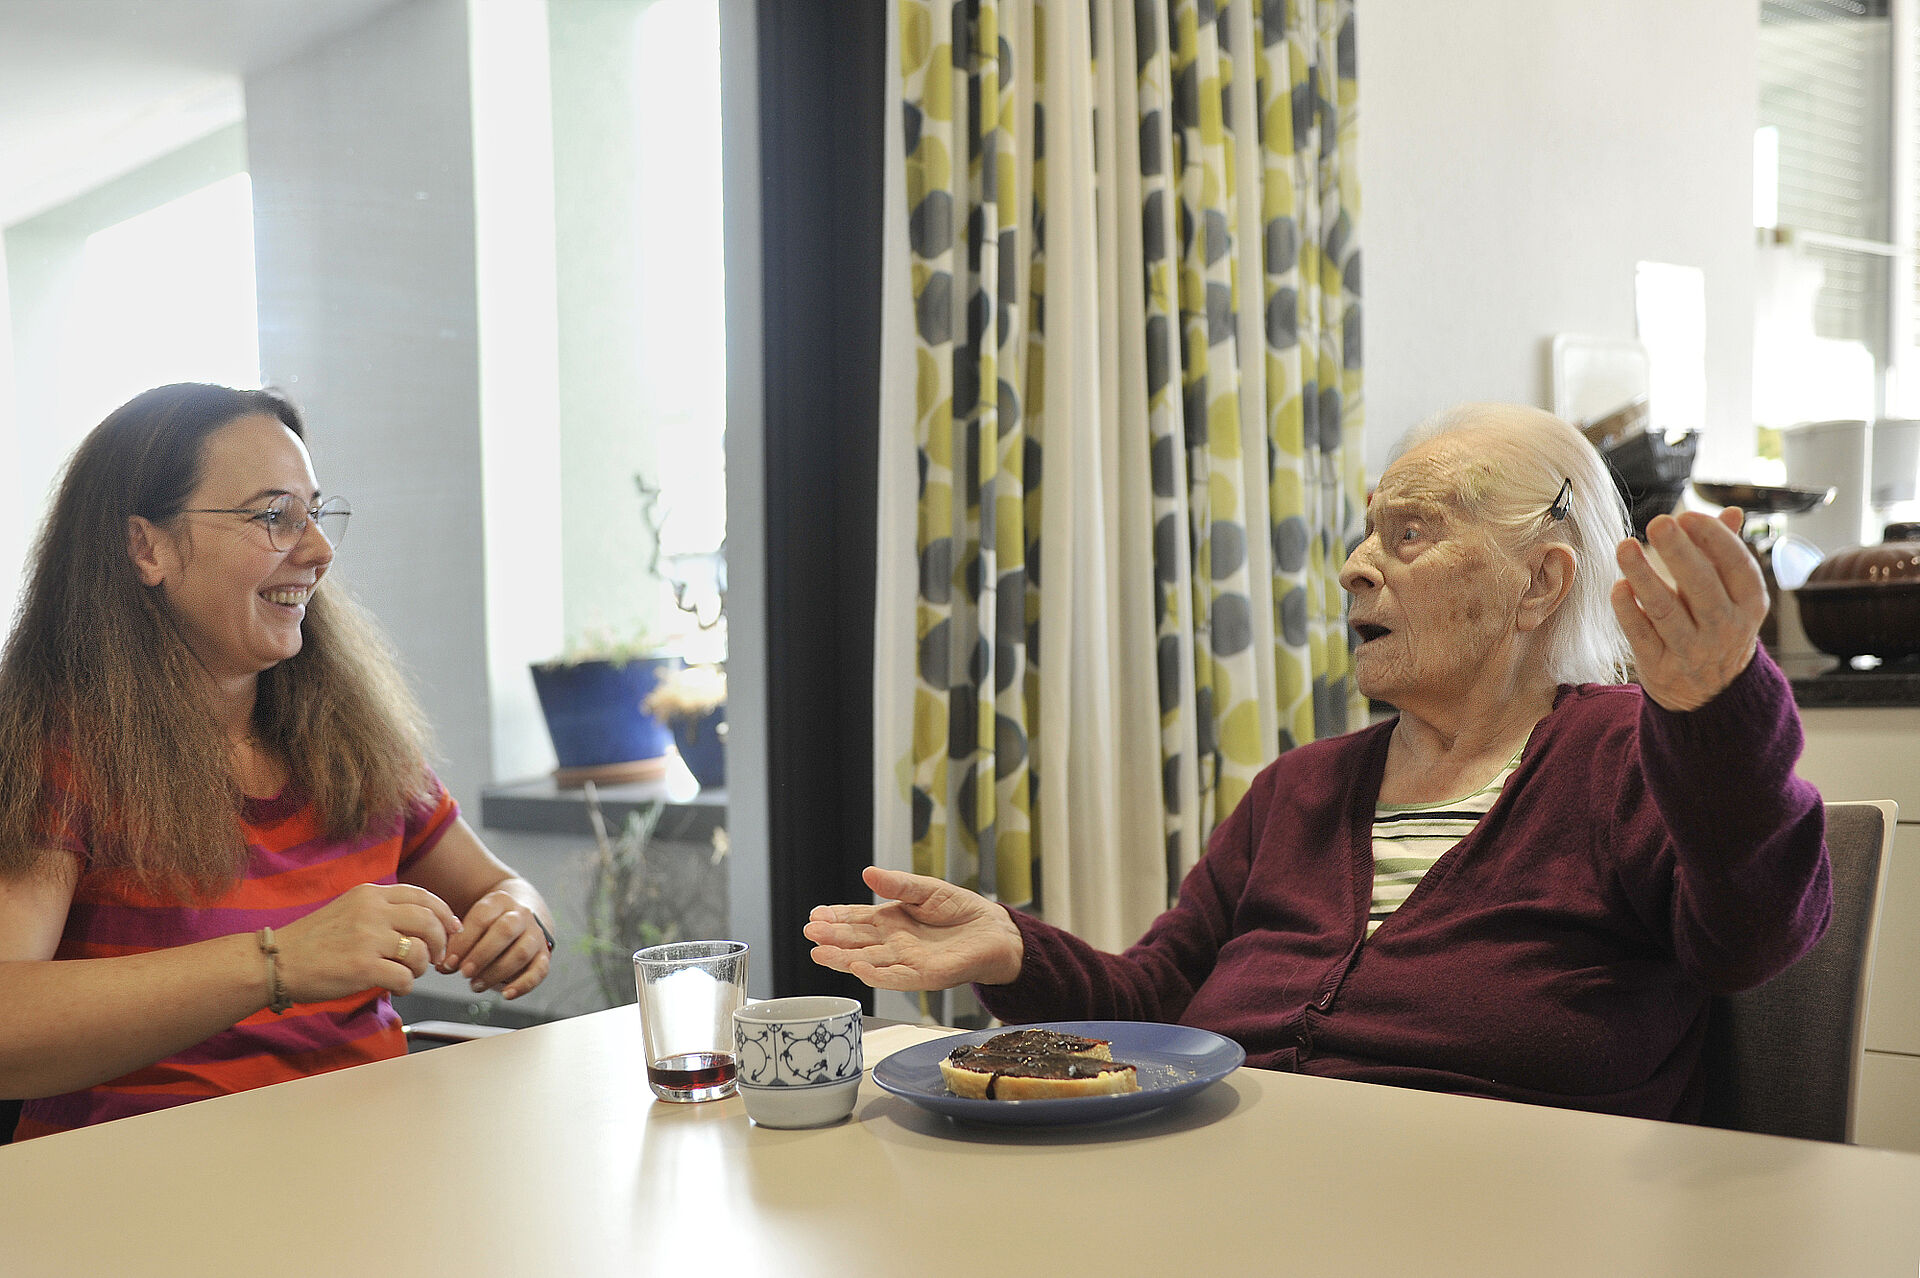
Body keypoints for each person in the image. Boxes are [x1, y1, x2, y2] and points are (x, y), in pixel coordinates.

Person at [806, 403, 1831, 1120]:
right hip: (1244, 1200)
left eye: (1411, 533)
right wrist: (1013, 950)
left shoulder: (1629, 758)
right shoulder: (1297, 792)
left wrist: (1716, 709)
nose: (1353, 565)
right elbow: (1160, 1003)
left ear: (1539, 584)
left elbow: (1753, 936)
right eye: (1366, 532)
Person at [0, 383, 555, 1140]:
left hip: (370, 1170)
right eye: (274, 517)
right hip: (148, 1203)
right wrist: (279, 962)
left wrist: (520, 918)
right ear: (146, 547)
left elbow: (497, 885)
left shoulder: (350, 737)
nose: (320, 550)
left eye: (315, 515)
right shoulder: (56, 750)